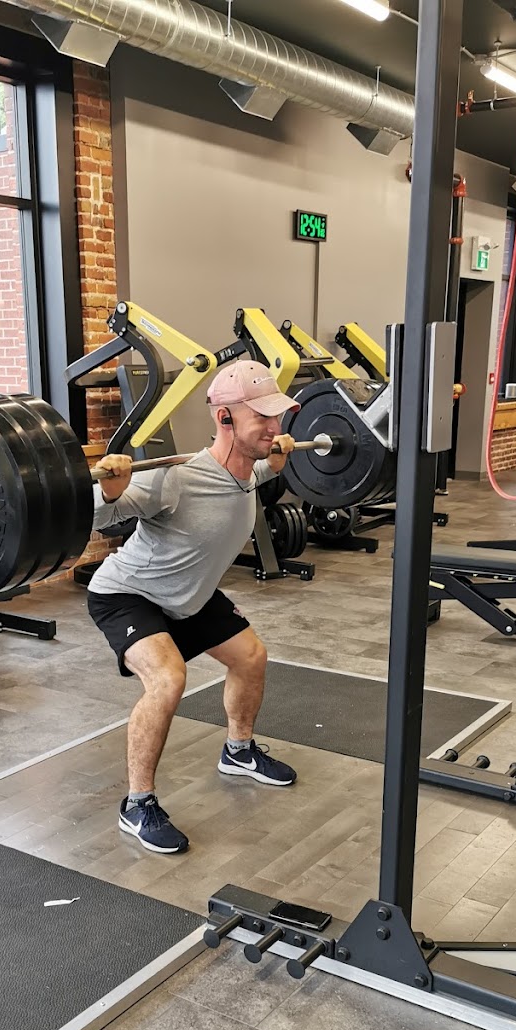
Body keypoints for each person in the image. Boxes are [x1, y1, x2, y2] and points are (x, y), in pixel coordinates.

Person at [87, 359, 301, 855]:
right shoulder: (174, 477)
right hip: (129, 594)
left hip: (191, 596)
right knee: (168, 680)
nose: (274, 427)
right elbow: (98, 517)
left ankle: (238, 751)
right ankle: (137, 805)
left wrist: (276, 463)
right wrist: (109, 490)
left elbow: (256, 472)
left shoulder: (248, 470)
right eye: (261, 418)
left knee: (251, 658)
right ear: (224, 418)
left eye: (276, 416)